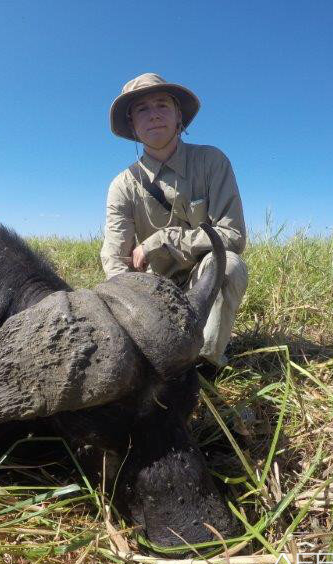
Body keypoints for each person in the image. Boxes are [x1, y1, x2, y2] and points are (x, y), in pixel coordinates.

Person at [101, 73, 248, 369]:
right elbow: (115, 260)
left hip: (202, 284)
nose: (153, 115)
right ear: (132, 124)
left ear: (179, 115)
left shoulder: (212, 162)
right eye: (142, 109)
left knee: (228, 264)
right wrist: (133, 303)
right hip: (151, 292)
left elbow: (232, 235)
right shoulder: (122, 185)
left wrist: (161, 240)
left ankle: (205, 364)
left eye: (162, 105)